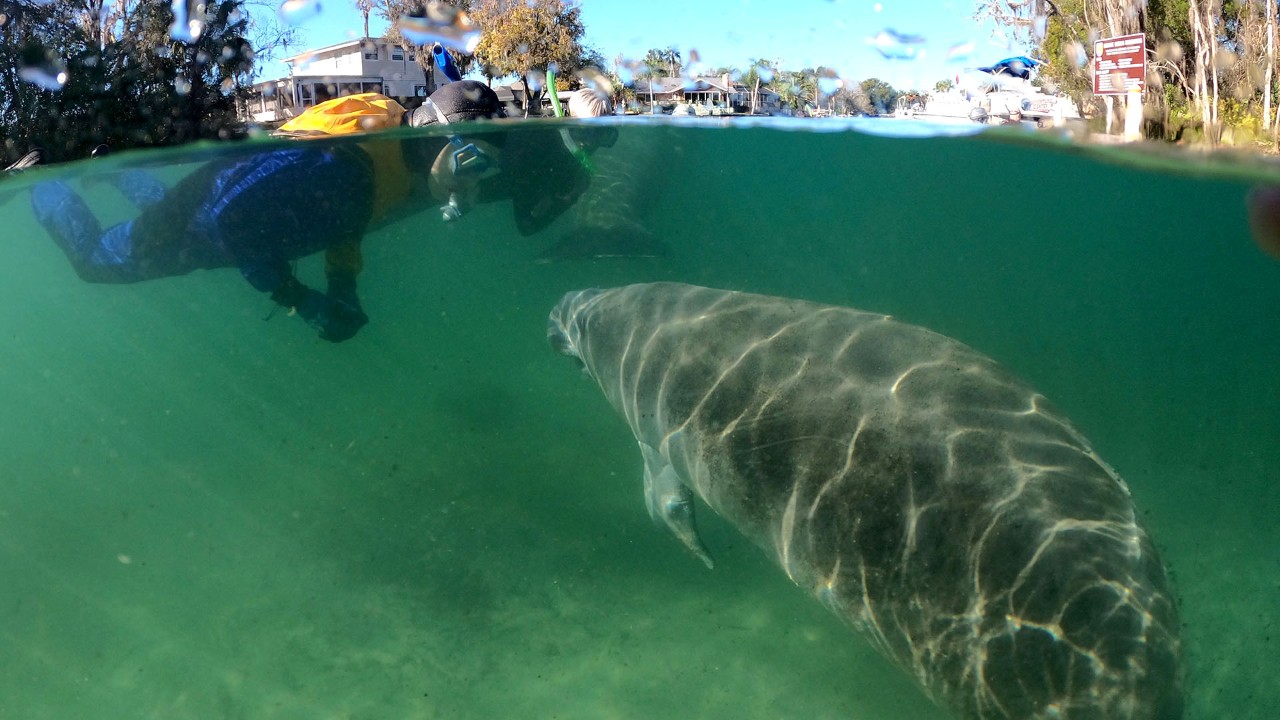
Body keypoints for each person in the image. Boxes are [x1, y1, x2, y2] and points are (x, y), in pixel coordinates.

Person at [26, 80, 594, 342]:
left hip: (219, 206)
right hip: (207, 223)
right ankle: (43, 180)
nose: (472, 182)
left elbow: (348, 223)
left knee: (166, 210)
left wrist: (343, 286)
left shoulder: (390, 148)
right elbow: (234, 221)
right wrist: (300, 298)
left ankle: (120, 170)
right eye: (473, 164)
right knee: (94, 260)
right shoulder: (343, 168)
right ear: (440, 143)